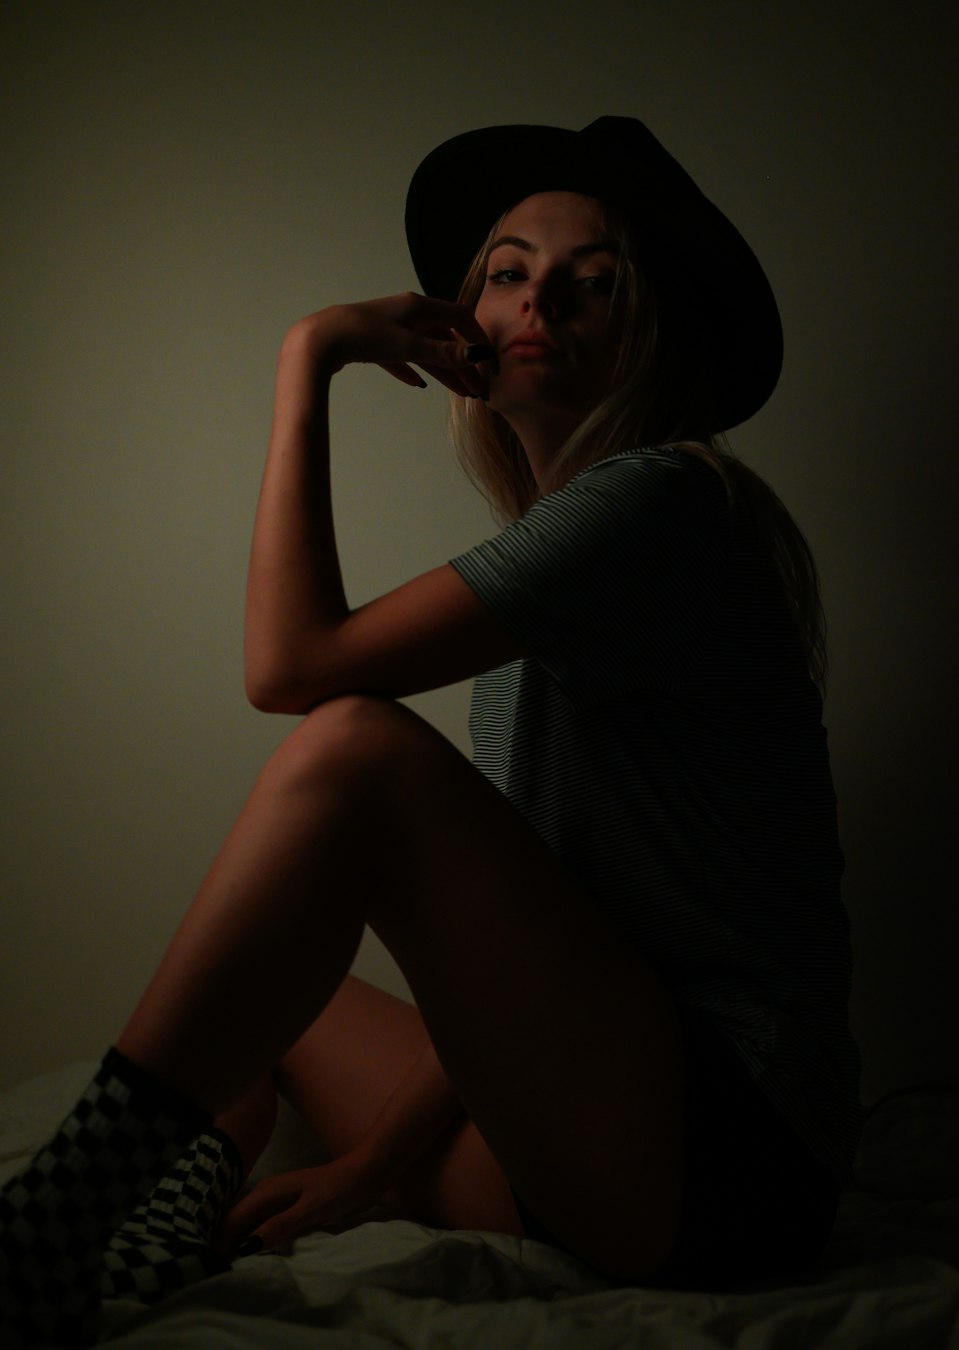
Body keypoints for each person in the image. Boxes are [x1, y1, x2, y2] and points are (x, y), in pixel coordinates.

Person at [0, 117, 861, 1347]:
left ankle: (43, 1232)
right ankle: (156, 1225)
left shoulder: (668, 500)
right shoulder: (533, 628)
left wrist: (311, 357)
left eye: (590, 281)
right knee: (254, 991)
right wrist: (368, 1169)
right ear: (467, 318)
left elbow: (289, 669)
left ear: (646, 329)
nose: (536, 302)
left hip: (730, 1158)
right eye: (507, 273)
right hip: (608, 1147)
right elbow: (542, 959)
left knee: (353, 746)